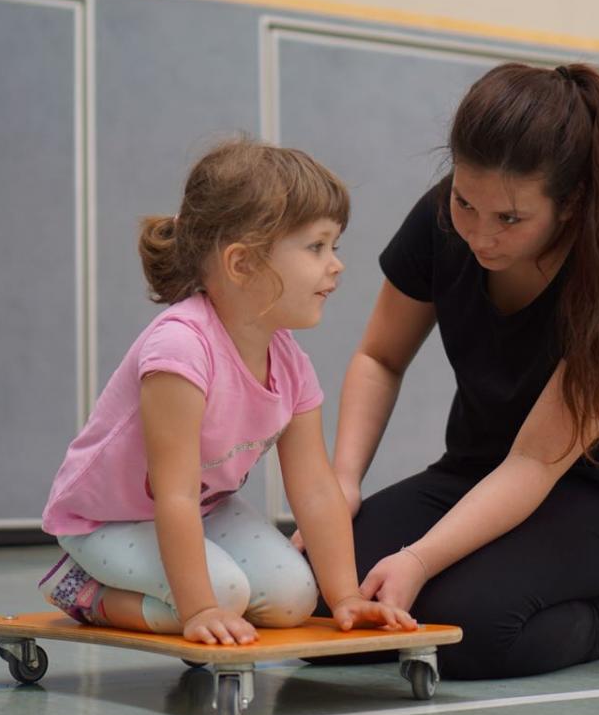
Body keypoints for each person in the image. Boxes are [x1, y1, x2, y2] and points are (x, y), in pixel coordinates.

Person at [300, 62, 599, 680]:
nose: (479, 234)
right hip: (473, 473)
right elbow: (380, 358)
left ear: (570, 204)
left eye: (510, 219)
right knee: (311, 598)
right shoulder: (440, 219)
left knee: (466, 629)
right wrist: (341, 484)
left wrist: (419, 559)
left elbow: (534, 464)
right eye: (465, 202)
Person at [38, 138, 416, 645]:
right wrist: (198, 609)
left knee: (294, 599)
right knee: (222, 596)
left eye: (335, 246)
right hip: (109, 521)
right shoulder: (180, 348)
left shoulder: (290, 361)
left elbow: (316, 489)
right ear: (241, 263)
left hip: (203, 509)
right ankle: (82, 590)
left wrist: (345, 596)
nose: (336, 264)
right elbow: (173, 493)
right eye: (316, 247)